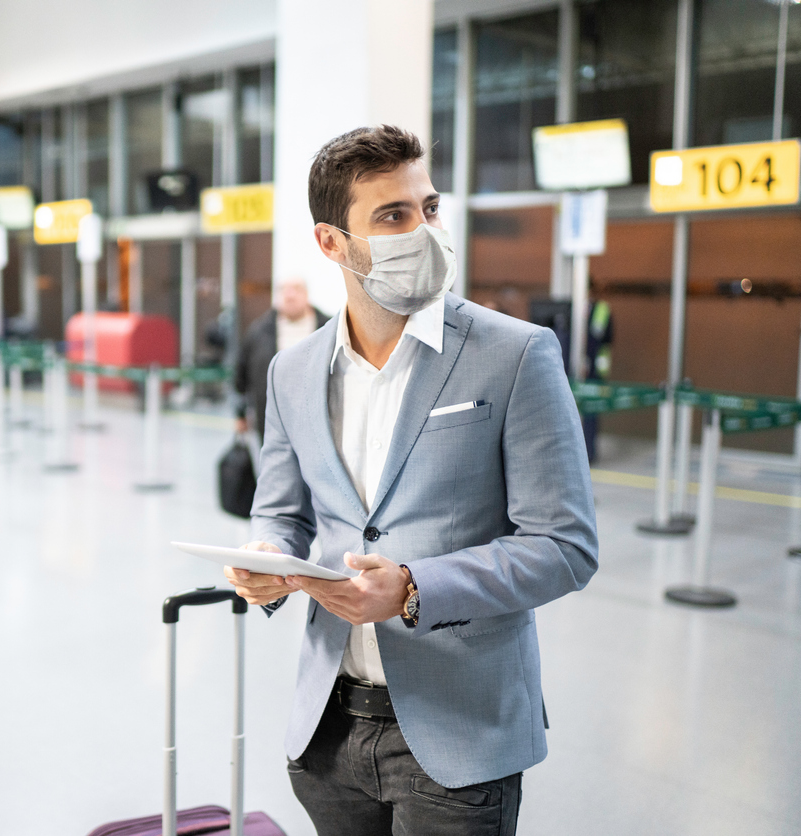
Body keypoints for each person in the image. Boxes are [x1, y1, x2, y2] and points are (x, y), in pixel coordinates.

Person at [223, 125, 598, 835]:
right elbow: (281, 514)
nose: (422, 230)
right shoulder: (292, 372)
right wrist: (267, 560)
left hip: (459, 735)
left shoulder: (514, 354)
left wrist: (414, 587)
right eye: (392, 216)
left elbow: (564, 546)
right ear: (331, 243)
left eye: (426, 207)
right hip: (328, 728)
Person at [234, 279, 329, 440]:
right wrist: (240, 413)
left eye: (296, 289)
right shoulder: (259, 331)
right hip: (272, 417)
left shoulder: (328, 328)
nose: (290, 295)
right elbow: (241, 375)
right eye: (284, 290)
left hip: (320, 416)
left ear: (306, 295)